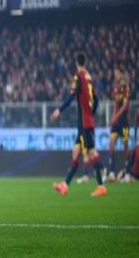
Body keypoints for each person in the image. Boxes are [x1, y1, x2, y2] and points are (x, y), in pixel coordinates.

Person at [51, 52, 106, 197]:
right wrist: (91, 114)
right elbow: (96, 100)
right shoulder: (88, 77)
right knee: (75, 152)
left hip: (85, 123)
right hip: (85, 122)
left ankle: (101, 185)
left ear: (76, 62)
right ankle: (65, 186)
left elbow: (71, 96)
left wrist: (59, 110)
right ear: (85, 63)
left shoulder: (78, 77)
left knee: (91, 152)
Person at [106, 64, 131, 182]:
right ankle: (112, 172)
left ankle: (127, 173)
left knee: (125, 148)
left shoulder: (125, 87)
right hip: (116, 122)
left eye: (117, 73)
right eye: (115, 73)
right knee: (111, 146)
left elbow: (125, 105)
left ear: (121, 74)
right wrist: (112, 117)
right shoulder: (115, 87)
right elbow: (116, 105)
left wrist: (116, 116)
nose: (115, 75)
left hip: (124, 121)